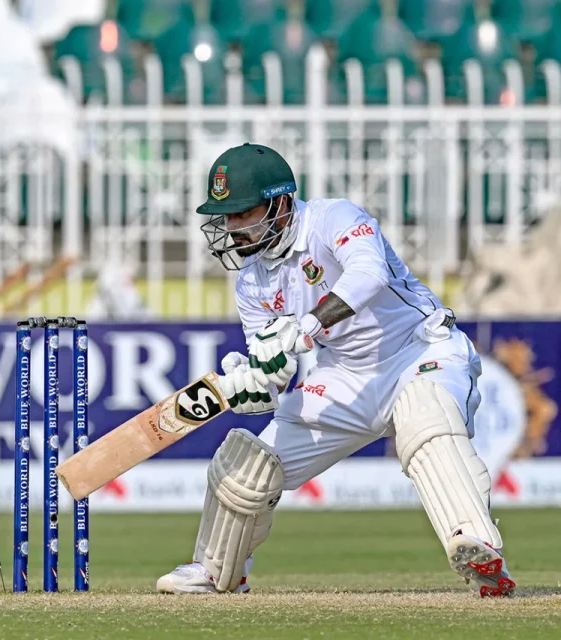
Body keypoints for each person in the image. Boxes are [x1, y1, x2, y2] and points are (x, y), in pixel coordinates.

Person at [156, 144, 515, 598]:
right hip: (345, 374)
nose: (231, 228)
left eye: (242, 213)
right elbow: (276, 370)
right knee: (247, 467)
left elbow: (370, 275)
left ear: (280, 203)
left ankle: (478, 548)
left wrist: (306, 327)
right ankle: (217, 569)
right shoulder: (251, 281)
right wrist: (255, 381)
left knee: (426, 421)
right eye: (226, 217)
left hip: (419, 351)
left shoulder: (334, 218)